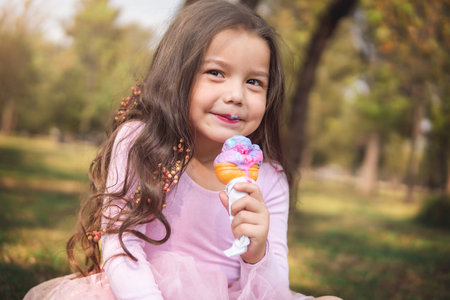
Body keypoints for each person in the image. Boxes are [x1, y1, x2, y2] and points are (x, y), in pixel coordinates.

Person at [25, 1, 341, 299]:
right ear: (179, 76)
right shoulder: (141, 144)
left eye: (254, 82)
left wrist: (257, 253)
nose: (236, 95)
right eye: (216, 73)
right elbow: (122, 246)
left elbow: (273, 291)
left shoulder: (269, 178)